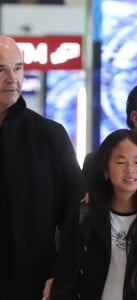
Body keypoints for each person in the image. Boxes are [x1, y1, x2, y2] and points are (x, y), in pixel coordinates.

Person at [0, 34, 85, 300]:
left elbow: (75, 213)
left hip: (32, 283)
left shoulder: (50, 135)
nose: (12, 78)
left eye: (18, 68)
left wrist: (61, 272)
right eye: (1, 69)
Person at [50, 129, 137, 300]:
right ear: (105, 169)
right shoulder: (84, 214)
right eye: (120, 162)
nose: (130, 169)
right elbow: (66, 270)